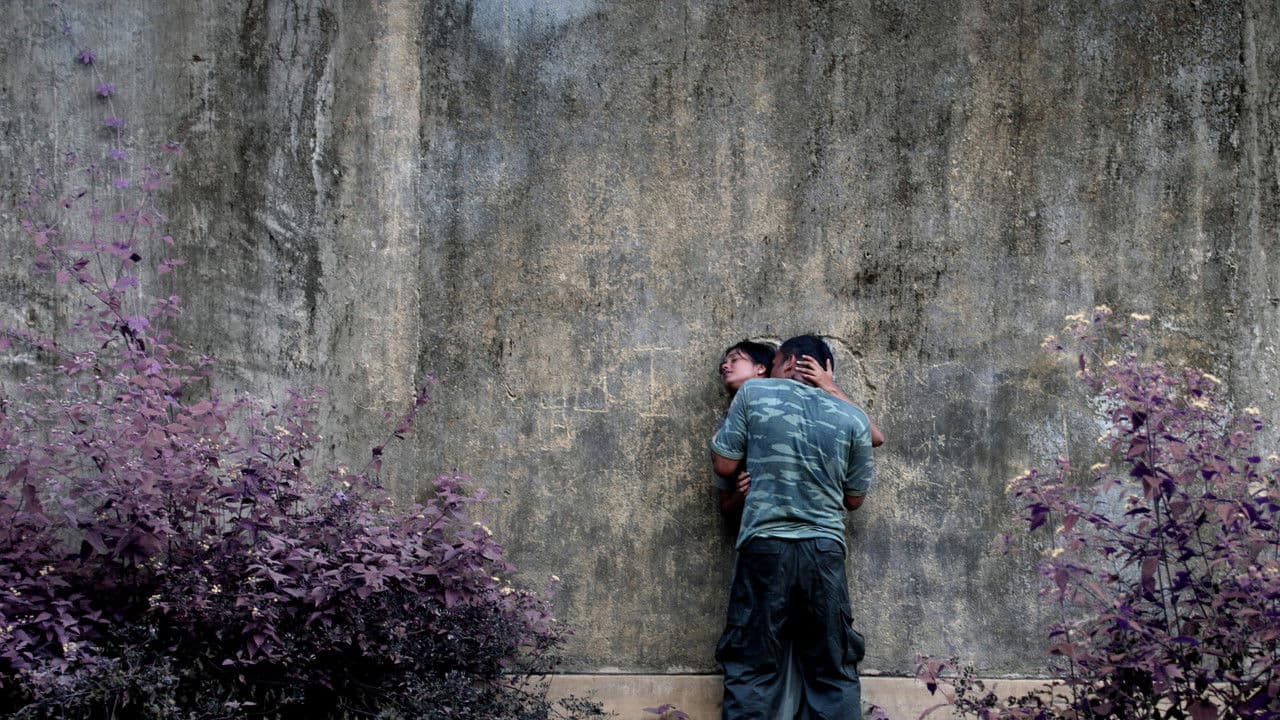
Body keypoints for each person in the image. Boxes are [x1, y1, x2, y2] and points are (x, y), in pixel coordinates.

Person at [711, 335, 875, 720]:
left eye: (775, 363)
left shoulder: (754, 394)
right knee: (832, 668)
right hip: (824, 550)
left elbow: (724, 465)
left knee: (752, 663)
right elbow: (854, 499)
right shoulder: (852, 418)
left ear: (787, 363)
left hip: (766, 544)